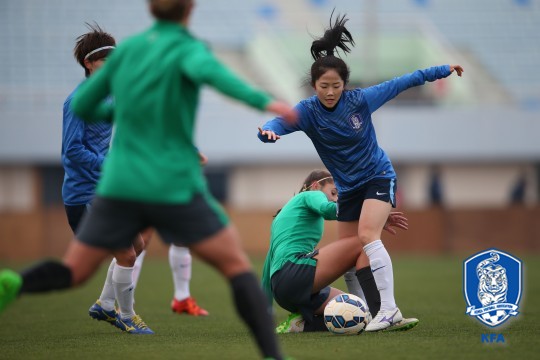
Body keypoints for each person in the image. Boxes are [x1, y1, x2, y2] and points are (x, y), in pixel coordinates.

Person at [0, 0, 296, 358]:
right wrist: (273, 104)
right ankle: (271, 355)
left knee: (85, 266)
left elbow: (91, 108)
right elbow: (221, 80)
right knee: (234, 264)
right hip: (147, 185)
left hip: (119, 188)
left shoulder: (132, 52)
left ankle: (26, 285)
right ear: (190, 9)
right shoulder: (185, 48)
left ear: (151, 10)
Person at [258, 12, 463, 331]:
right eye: (323, 86)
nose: (329, 92)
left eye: (336, 85)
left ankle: (389, 310)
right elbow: (277, 122)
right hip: (349, 189)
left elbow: (403, 82)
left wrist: (441, 70)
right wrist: (268, 132)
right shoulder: (307, 112)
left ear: (345, 84)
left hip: (377, 178)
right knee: (352, 254)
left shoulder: (360, 101)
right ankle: (366, 313)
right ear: (314, 85)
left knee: (367, 237)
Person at [61, 23, 154, 334]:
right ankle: (127, 318)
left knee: (137, 244)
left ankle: (103, 304)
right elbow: (72, 151)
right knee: (126, 252)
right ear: (89, 64)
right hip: (83, 195)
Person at [262, 170, 413, 333]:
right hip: (295, 273)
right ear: (315, 185)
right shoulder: (309, 195)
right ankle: (381, 314)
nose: (335, 199)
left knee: (357, 312)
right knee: (362, 243)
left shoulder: (283, 215)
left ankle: (302, 325)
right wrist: (373, 215)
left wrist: (264, 310)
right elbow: (326, 209)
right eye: (333, 193)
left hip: (282, 288)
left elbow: (267, 268)